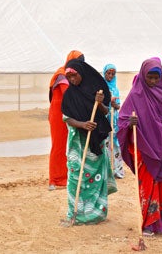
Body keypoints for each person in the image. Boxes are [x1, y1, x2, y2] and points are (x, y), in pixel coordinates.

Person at [117, 57, 162, 236]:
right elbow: (122, 119)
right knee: (148, 184)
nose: (153, 81)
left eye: (156, 78)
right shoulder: (135, 95)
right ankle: (150, 223)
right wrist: (129, 122)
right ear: (143, 75)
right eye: (150, 78)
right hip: (145, 148)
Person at [60, 58, 117, 225]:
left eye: (74, 76)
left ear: (82, 73)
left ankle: (95, 214)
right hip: (77, 143)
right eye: (69, 77)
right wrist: (82, 124)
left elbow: (106, 111)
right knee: (75, 177)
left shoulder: (96, 90)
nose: (72, 80)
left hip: (95, 141)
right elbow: (67, 118)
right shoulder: (69, 94)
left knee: (95, 178)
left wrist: (99, 103)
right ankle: (74, 213)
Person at [48, 50, 85, 191]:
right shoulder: (62, 75)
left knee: (66, 146)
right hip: (58, 115)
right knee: (58, 146)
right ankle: (54, 179)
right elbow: (68, 94)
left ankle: (63, 178)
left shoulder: (70, 75)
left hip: (66, 114)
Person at [102, 63, 124, 179]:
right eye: (108, 73)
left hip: (114, 121)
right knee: (105, 144)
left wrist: (115, 104)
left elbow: (118, 106)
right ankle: (106, 171)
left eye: (112, 74)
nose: (110, 76)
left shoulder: (116, 89)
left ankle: (118, 171)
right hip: (104, 120)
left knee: (115, 145)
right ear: (104, 73)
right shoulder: (101, 87)